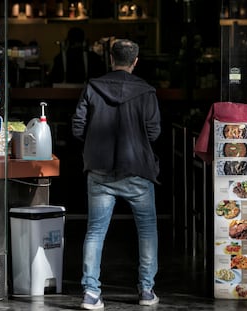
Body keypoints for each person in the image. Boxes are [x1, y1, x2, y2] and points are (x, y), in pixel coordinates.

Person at [72, 39, 161, 310]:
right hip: (137, 170)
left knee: (96, 231)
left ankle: (90, 293)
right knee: (146, 231)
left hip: (99, 170)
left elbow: (78, 127)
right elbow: (155, 131)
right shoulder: (146, 92)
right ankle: (146, 290)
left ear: (111, 59)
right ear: (135, 61)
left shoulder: (92, 86)